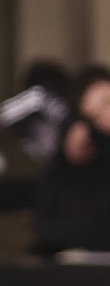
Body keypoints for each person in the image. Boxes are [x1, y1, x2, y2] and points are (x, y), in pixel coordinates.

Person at [34, 66, 110, 253]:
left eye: (108, 101)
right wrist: (73, 126)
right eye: (95, 116)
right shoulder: (89, 151)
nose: (107, 116)